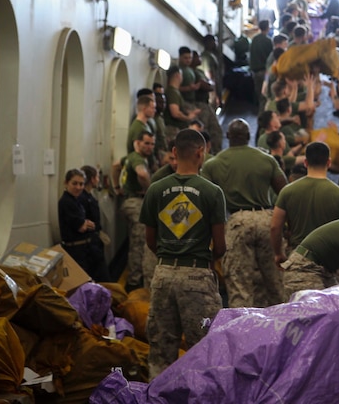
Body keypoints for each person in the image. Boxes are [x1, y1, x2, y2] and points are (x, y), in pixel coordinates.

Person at [140, 129, 226, 378]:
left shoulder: (156, 189)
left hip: (163, 275)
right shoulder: (212, 192)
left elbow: (150, 240)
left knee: (160, 351)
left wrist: (170, 256)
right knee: (203, 349)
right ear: (202, 153)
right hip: (198, 276)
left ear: (174, 152)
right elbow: (219, 246)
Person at [201, 119, 288, 307]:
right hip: (266, 220)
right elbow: (285, 192)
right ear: (249, 137)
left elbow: (205, 201)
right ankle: (281, 327)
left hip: (237, 221)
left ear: (227, 136)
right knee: (275, 283)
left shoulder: (213, 165)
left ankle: (242, 332)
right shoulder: (267, 160)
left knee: (240, 285)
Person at [270, 142, 339, 269]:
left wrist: (278, 253)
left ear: (305, 162)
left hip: (298, 256)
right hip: (330, 260)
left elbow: (275, 227)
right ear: (328, 163)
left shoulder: (287, 191)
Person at [112, 130, 155, 291]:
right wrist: (151, 190)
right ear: (137, 143)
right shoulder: (137, 158)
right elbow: (142, 174)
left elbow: (116, 165)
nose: (150, 147)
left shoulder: (130, 157)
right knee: (139, 242)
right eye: (146, 143)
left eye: (152, 144)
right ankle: (134, 281)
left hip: (129, 201)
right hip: (136, 202)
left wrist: (117, 187)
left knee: (137, 240)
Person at [58, 168, 109, 282]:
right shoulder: (67, 202)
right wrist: (84, 223)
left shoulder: (75, 200)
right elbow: (81, 227)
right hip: (77, 250)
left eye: (81, 184)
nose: (78, 187)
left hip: (85, 249)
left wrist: (85, 223)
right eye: (74, 183)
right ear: (66, 183)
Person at [250, 20, 274, 114]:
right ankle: (263, 115)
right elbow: (271, 57)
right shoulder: (268, 41)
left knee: (259, 94)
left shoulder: (254, 39)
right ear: (267, 28)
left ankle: (260, 112)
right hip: (265, 72)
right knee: (265, 95)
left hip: (255, 72)